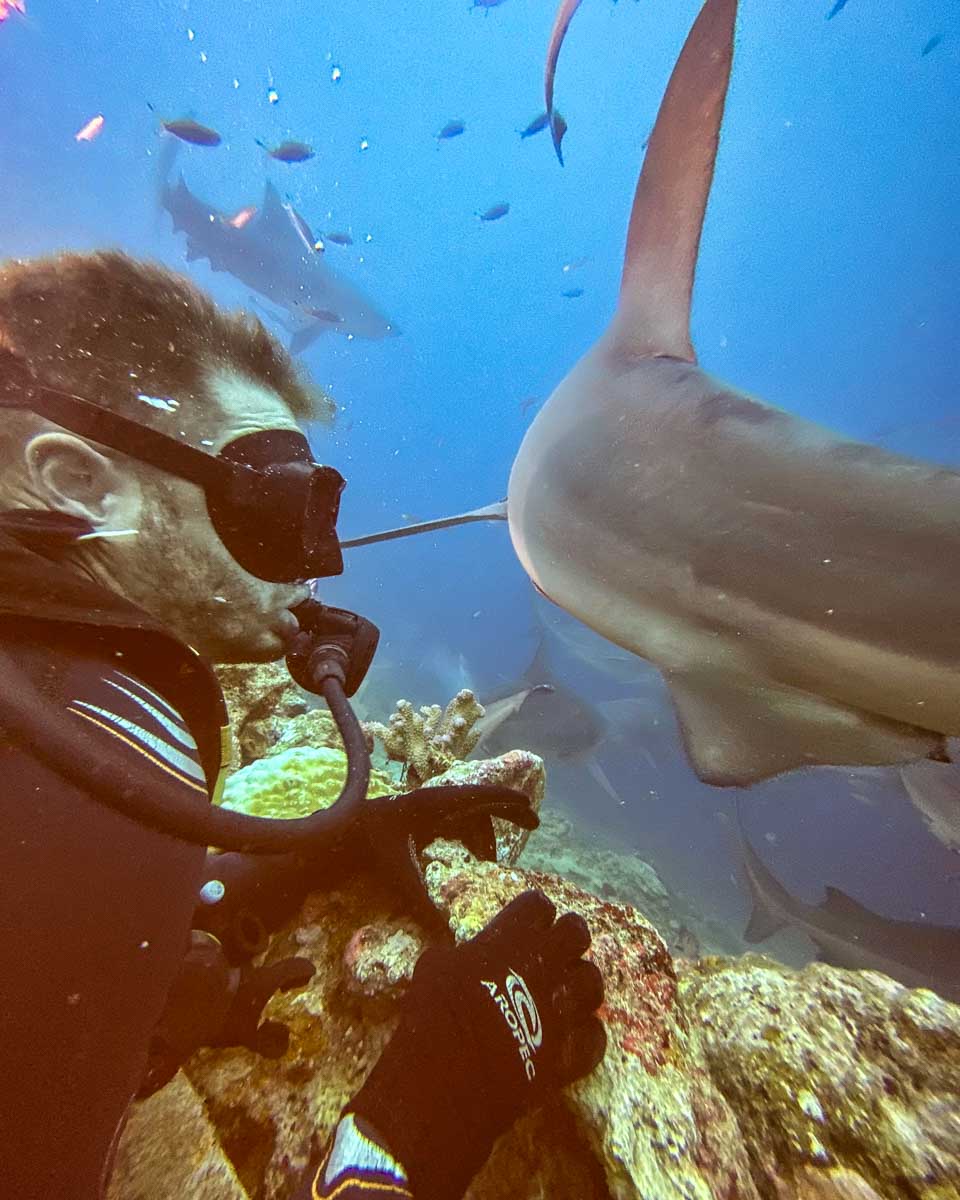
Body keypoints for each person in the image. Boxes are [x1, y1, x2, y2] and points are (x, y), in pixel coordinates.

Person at [0, 250, 606, 1200]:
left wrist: (302, 861)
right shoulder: (63, 769)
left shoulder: (55, 714)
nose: (319, 562)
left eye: (317, 511)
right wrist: (407, 1132)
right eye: (274, 506)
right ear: (78, 481)